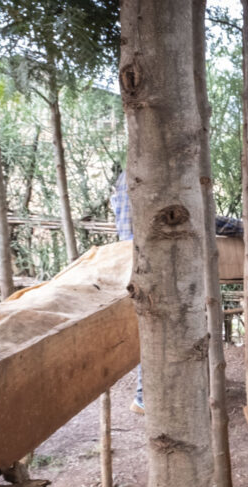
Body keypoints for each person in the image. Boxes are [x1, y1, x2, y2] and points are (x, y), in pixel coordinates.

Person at [110, 170, 145, 414]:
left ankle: (143, 397)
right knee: (152, 329)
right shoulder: (153, 172)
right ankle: (143, 397)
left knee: (145, 328)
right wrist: (240, 228)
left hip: (127, 257)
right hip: (146, 261)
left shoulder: (126, 175)